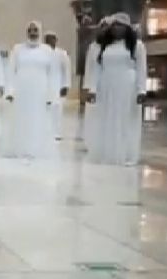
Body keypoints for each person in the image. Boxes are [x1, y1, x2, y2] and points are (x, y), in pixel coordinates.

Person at [86, 13, 147, 166]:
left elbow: (141, 69)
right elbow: (97, 69)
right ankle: (108, 152)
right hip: (107, 86)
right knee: (107, 118)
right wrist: (92, 88)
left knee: (126, 119)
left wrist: (141, 90)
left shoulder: (137, 46)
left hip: (127, 86)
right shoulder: (104, 46)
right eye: (114, 25)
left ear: (127, 28)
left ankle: (126, 154)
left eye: (120, 25)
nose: (117, 29)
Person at [2, 21, 57, 159]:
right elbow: (11, 71)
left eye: (35, 30)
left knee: (38, 119)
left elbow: (53, 74)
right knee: (21, 119)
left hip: (40, 90)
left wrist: (52, 94)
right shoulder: (17, 49)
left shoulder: (47, 51)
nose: (33, 33)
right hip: (22, 90)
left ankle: (36, 148)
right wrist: (10, 91)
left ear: (40, 32)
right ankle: (21, 147)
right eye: (30, 30)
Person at [82, 17, 112, 150]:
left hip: (109, 85)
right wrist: (87, 87)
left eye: (107, 27)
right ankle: (91, 142)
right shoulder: (93, 47)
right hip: (93, 85)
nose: (104, 29)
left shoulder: (113, 47)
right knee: (93, 115)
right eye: (102, 26)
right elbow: (89, 68)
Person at [44, 31, 72, 141]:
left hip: (58, 85)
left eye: (52, 38)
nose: (50, 41)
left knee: (57, 109)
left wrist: (66, 85)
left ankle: (56, 132)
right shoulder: (42, 52)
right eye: (48, 39)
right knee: (45, 109)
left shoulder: (62, 54)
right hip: (45, 85)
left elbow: (66, 70)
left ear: (56, 40)